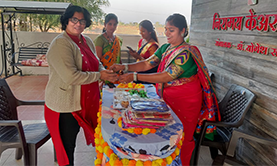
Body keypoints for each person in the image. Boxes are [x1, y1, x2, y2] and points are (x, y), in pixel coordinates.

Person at [110, 13, 220, 165]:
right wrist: (124, 67)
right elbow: (147, 64)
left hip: (185, 101)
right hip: (167, 97)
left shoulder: (186, 53)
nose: (167, 33)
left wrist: (134, 77)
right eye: (166, 29)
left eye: (172, 30)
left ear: (183, 31)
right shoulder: (166, 48)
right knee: (165, 134)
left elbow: (166, 76)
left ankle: (182, 162)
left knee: (181, 136)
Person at [44, 5, 118, 166]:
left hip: (83, 102)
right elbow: (71, 76)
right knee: (67, 147)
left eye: (82, 21)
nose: (78, 24)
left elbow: (96, 63)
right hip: (64, 106)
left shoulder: (86, 40)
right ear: (66, 21)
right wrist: (100, 75)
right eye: (74, 20)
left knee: (83, 139)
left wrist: (104, 71)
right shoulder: (61, 44)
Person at [128, 20, 159, 84]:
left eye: (143, 31)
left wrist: (139, 57)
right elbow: (139, 59)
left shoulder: (153, 46)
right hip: (138, 71)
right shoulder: (141, 41)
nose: (141, 33)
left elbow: (152, 65)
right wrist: (135, 55)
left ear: (150, 32)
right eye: (140, 31)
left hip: (147, 75)